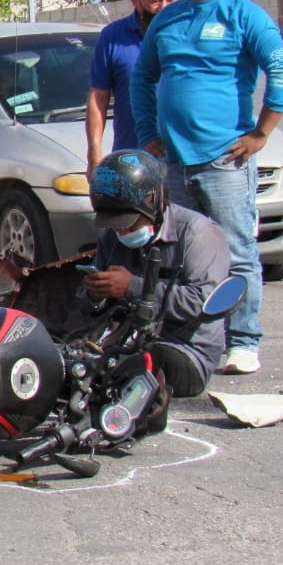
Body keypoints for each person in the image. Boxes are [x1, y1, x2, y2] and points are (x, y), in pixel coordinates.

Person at [131, 0, 283, 376]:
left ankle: (243, 340)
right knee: (180, 257)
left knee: (238, 253)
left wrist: (260, 133)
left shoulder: (245, 17)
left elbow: (282, 72)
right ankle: (186, 340)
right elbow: (142, 78)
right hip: (174, 163)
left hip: (224, 161)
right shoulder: (168, 18)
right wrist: (148, 133)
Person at [84, 149, 231, 416]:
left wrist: (132, 286)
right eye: (117, 226)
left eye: (128, 224)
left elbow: (203, 301)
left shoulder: (197, 232)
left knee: (133, 363)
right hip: (125, 340)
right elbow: (92, 304)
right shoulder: (112, 236)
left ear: (153, 202)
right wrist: (94, 294)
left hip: (183, 350)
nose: (122, 232)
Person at [85, 0, 178, 175]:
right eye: (155, 0)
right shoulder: (113, 37)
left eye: (171, 0)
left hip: (181, 161)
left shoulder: (188, 35)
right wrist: (94, 154)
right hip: (133, 162)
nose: (164, 7)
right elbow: (98, 97)